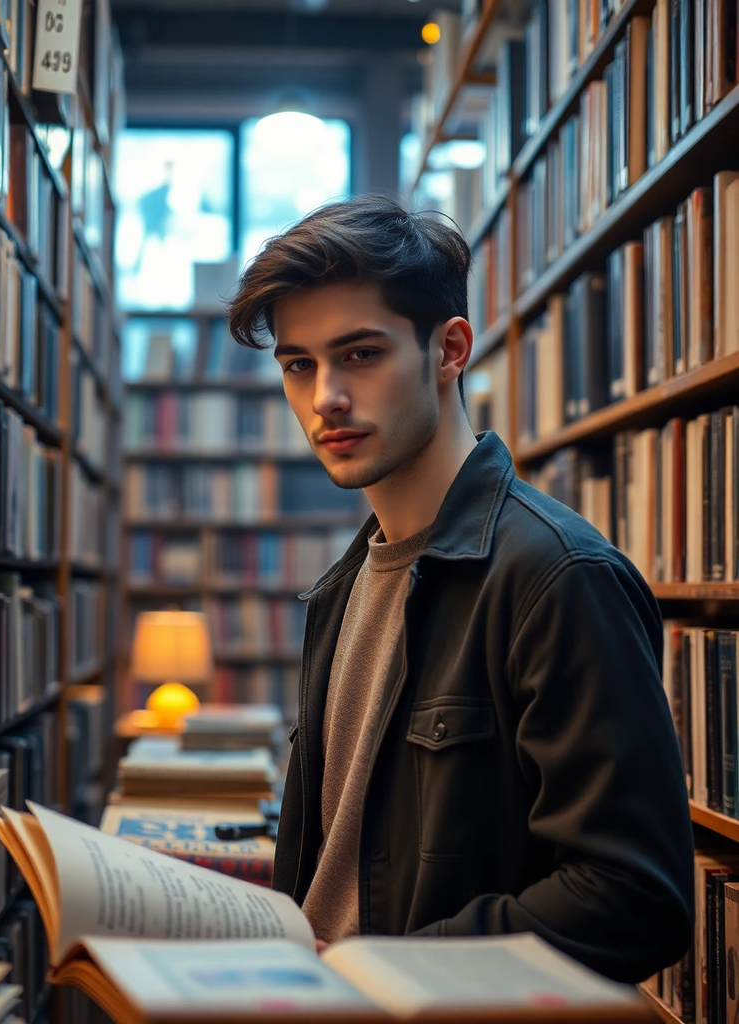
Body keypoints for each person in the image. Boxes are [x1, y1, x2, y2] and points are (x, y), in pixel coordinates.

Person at [226, 194, 694, 983]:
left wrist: (372, 965)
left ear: (449, 350)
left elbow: (632, 897)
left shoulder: (558, 578)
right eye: (299, 365)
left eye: (361, 354)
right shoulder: (344, 587)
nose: (324, 398)